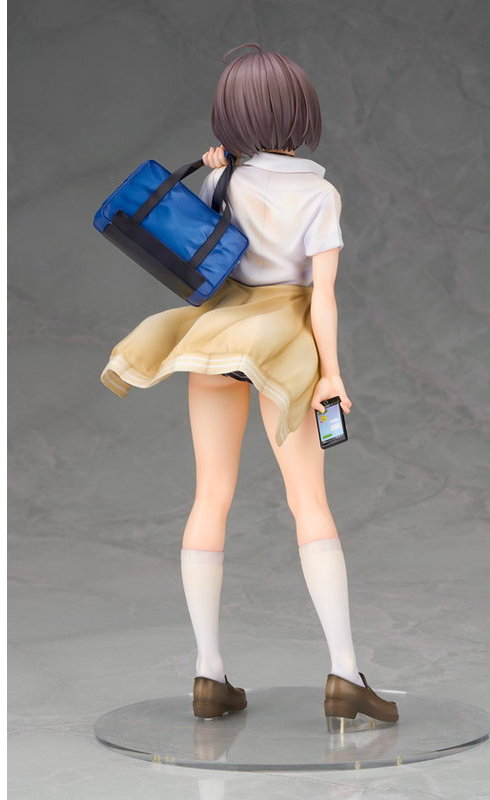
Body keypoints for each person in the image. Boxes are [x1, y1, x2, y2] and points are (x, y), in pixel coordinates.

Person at [100, 42, 398, 726]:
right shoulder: (318, 193)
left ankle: (208, 674)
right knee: (308, 501)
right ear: (298, 111)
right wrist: (332, 373)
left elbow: (195, 237)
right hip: (284, 343)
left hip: (219, 337)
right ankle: (344, 672)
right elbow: (323, 296)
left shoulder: (222, 183)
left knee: (211, 495)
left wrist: (215, 169)